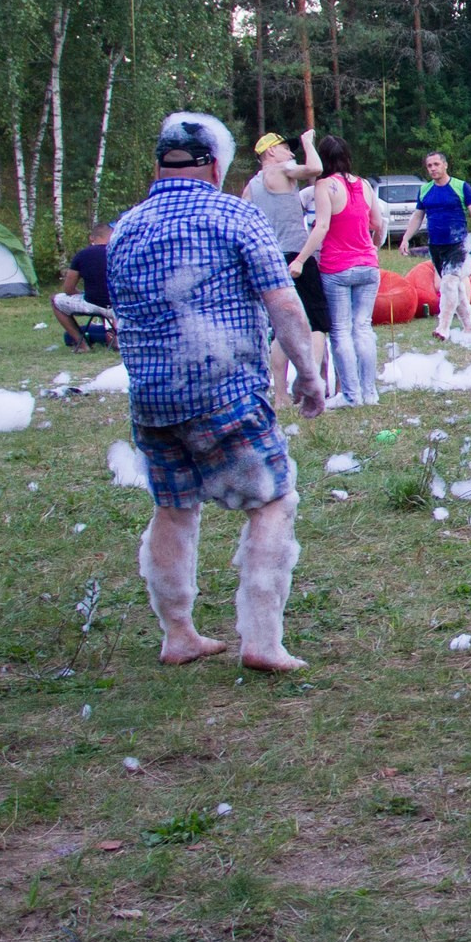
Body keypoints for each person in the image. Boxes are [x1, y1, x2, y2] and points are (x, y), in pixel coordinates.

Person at [111, 112, 323, 672]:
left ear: (158, 165)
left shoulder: (127, 227)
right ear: (215, 165)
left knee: (173, 509)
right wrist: (308, 372)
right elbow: (282, 302)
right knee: (273, 503)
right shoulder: (235, 216)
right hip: (223, 389)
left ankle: (178, 634)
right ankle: (262, 640)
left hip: (152, 398)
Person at [243, 132, 329, 402]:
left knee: (282, 328)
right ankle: (312, 388)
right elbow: (316, 168)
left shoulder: (252, 185)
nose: (291, 154)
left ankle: (280, 396)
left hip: (270, 259)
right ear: (270, 152)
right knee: (315, 324)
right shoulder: (283, 169)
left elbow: (243, 221)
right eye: (285, 148)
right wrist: (307, 143)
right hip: (296, 256)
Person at [306, 135, 387, 406]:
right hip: (367, 266)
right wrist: (373, 247)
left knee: (341, 331)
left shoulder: (325, 186)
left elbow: (322, 226)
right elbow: (378, 222)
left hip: (337, 267)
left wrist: (300, 259)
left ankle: (351, 395)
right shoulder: (364, 184)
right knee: (363, 328)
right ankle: (370, 393)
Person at [399, 149, 471, 339]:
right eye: (429, 166)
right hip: (436, 246)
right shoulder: (425, 190)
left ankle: (442, 328)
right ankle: (469, 327)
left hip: (458, 244)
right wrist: (405, 238)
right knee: (457, 288)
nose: (433, 169)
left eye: (436, 164)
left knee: (449, 283)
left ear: (445, 165)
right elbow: (417, 217)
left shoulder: (461, 187)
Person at [53, 221, 115, 349]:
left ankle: (82, 344)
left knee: (55, 300)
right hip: (120, 305)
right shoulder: (120, 253)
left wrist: (81, 293)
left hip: (94, 303)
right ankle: (115, 339)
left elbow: (68, 288)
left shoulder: (83, 255)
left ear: (91, 238)